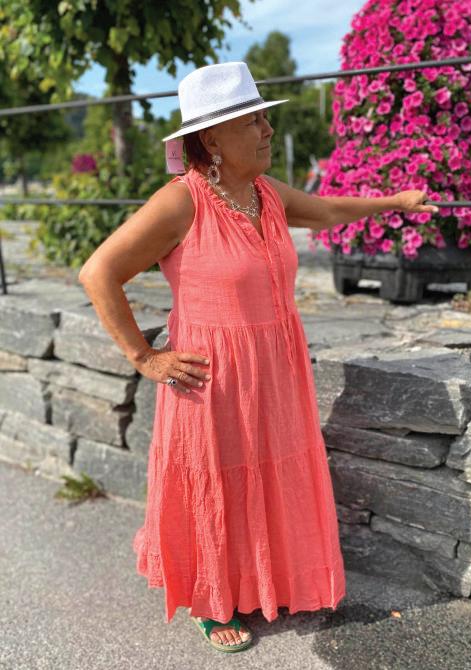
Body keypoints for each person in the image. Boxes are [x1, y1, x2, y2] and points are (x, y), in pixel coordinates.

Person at [78, 61, 439, 653]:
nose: (268, 129)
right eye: (253, 121)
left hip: (274, 370)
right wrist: (144, 357)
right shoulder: (181, 202)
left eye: (265, 118)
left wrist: (395, 201)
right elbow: (98, 273)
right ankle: (211, 599)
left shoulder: (265, 193)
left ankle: (263, 581)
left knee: (265, 479)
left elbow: (326, 210)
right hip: (213, 380)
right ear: (212, 138)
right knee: (218, 481)